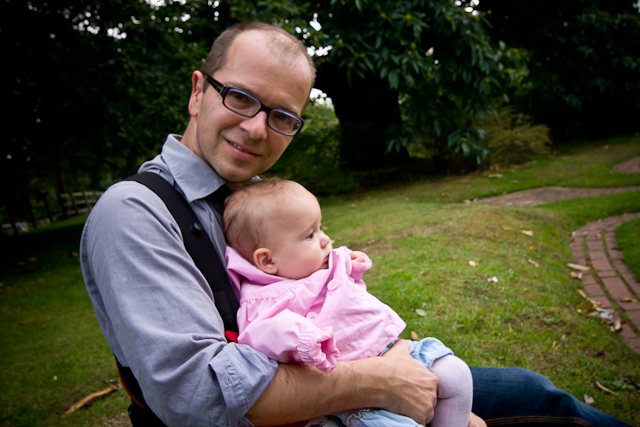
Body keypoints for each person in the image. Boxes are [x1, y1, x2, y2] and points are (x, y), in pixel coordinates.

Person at [80, 21, 633, 427]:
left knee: (536, 393)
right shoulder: (134, 213)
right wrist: (381, 382)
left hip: (348, 377)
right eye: (240, 97)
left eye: (282, 116)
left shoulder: (245, 197)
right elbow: (197, 398)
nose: (256, 129)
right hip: (305, 413)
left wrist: (384, 349)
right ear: (198, 90)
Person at [223, 177, 473, 427]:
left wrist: (351, 264)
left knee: (456, 375)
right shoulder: (263, 299)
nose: (325, 239)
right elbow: (258, 334)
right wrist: (303, 338)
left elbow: (344, 278)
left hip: (390, 351)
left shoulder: (311, 266)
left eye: (321, 227)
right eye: (310, 235)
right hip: (352, 397)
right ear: (267, 261)